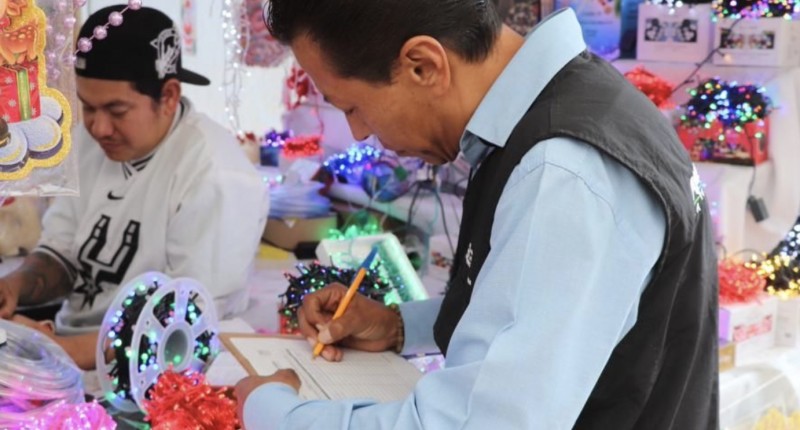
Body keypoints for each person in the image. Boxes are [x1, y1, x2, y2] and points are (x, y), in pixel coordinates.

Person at [235, 1, 718, 429]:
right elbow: (549, 309)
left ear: (424, 66)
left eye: (353, 106)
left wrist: (275, 412)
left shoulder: (563, 169)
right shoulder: (577, 109)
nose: (359, 133)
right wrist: (402, 326)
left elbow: (486, 421)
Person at [0, 5, 268, 370]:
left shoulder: (218, 176)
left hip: (159, 374)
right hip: (68, 349)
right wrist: (14, 287)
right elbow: (61, 255)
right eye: (87, 107)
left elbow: (188, 317)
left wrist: (65, 351)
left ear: (168, 96)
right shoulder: (88, 142)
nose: (99, 128)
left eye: (117, 111)